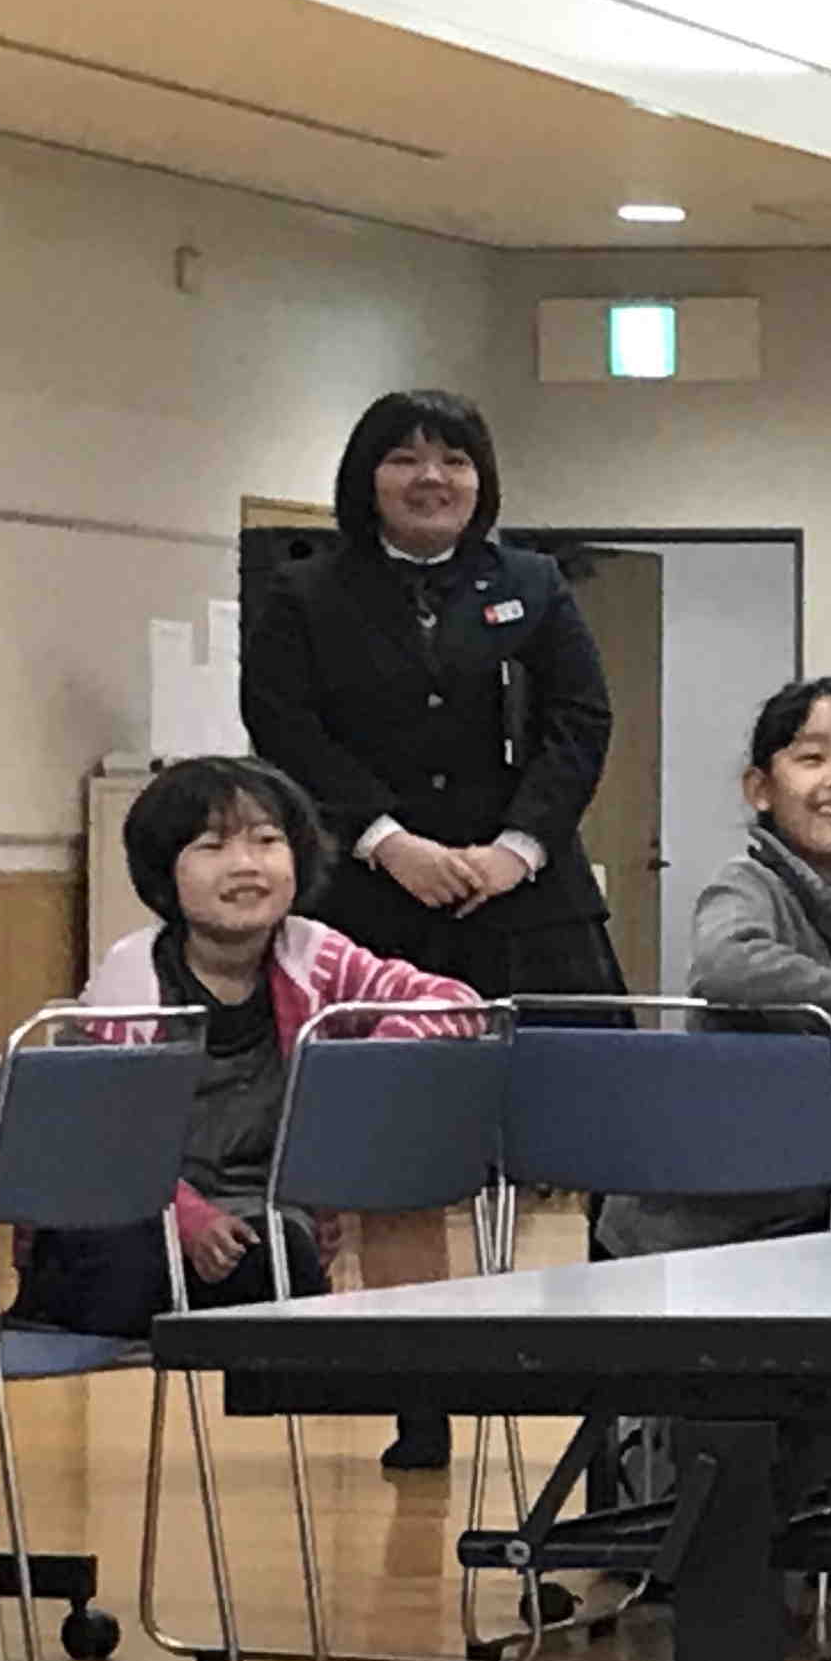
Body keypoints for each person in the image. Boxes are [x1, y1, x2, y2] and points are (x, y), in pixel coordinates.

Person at [242, 388, 621, 1470]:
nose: (431, 478)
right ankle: (422, 1396)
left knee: (608, 1129)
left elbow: (580, 724)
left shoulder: (532, 584)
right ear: (366, 478)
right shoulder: (305, 594)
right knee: (402, 1153)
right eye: (404, 458)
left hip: (531, 899)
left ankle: (616, 1393)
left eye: (453, 458)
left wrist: (519, 846)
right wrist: (385, 840)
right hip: (379, 899)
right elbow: (286, 729)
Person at [11, 759, 478, 1343]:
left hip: (256, 1226)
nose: (246, 865)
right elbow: (95, 1141)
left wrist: (365, 1068)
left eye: (267, 841)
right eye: (212, 847)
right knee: (130, 1256)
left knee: (286, 1258)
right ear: (165, 872)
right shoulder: (131, 979)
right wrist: (188, 1218)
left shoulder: (314, 955)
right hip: (128, 1217)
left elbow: (455, 1001)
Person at [597, 679, 831, 1265]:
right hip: (688, 1239)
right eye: (812, 758)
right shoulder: (748, 883)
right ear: (760, 789)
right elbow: (727, 964)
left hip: (813, 1216)